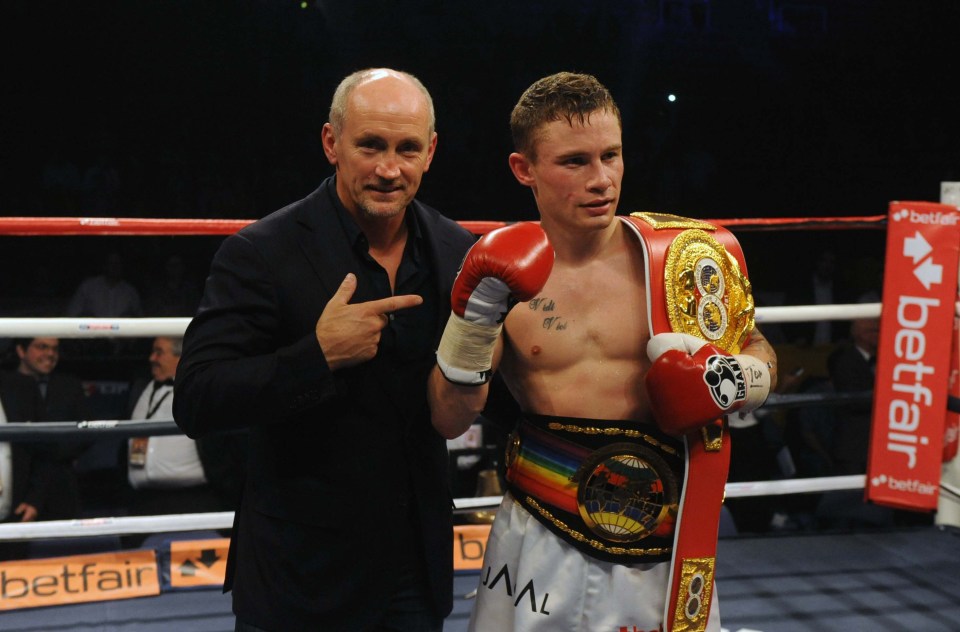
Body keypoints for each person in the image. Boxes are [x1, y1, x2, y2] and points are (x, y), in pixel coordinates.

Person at [428, 72, 778, 631]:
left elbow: (756, 345)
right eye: (574, 162)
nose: (601, 180)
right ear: (524, 170)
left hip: (667, 540)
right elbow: (449, 418)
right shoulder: (500, 274)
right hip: (542, 531)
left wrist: (739, 379)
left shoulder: (682, 258)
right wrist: (477, 316)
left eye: (610, 155)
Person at [173, 68, 477, 631]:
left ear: (430, 151)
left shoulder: (459, 252)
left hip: (414, 570)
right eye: (370, 146)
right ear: (331, 143)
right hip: (300, 577)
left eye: (407, 148)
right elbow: (196, 399)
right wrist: (317, 355)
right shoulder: (262, 252)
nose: (389, 169)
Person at [125, 337, 222, 517]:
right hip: (142, 502)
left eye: (159, 352)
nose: (152, 358)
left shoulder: (200, 389)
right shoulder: (140, 387)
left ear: (181, 356)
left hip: (191, 500)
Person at [14, 337, 89, 519]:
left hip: (61, 485)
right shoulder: (6, 386)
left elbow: (86, 432)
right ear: (21, 351)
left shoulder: (69, 386)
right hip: (18, 486)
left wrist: (52, 450)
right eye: (42, 347)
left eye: (54, 349)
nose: (50, 354)